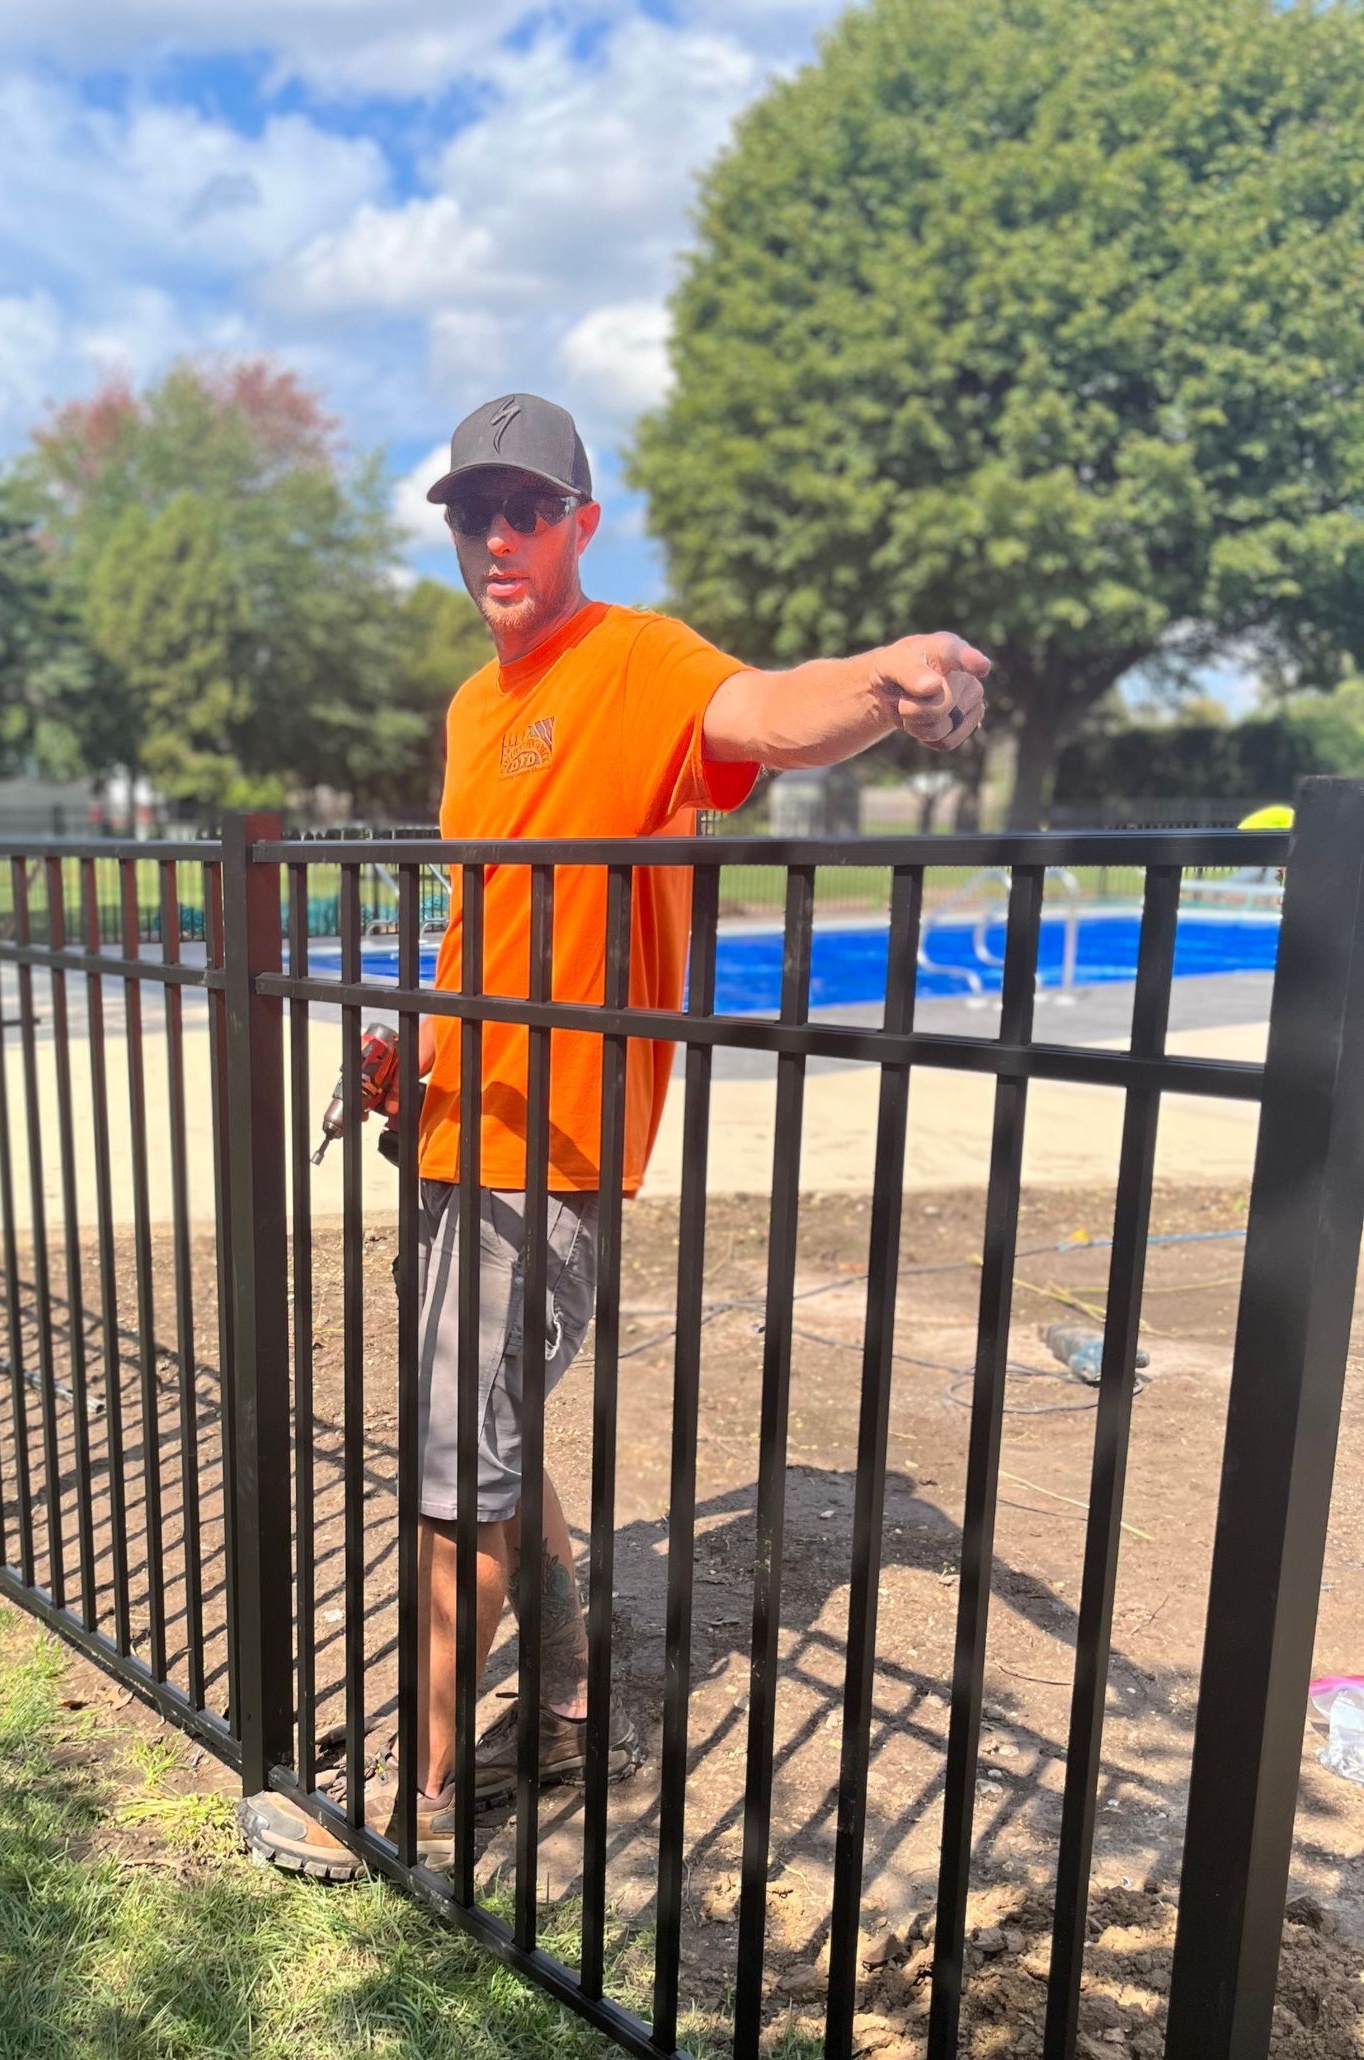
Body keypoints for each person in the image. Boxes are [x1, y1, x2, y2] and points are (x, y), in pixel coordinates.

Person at [239, 390, 986, 1880]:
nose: (499, 537)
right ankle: (570, 1705)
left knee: (458, 1465)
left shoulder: (637, 661)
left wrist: (892, 679)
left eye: (528, 510)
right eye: (473, 512)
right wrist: (419, 1048)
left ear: (582, 522)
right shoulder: (473, 708)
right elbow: (472, 911)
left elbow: (767, 714)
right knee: (484, 1440)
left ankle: (420, 1804)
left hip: (552, 1152)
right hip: (457, 1131)